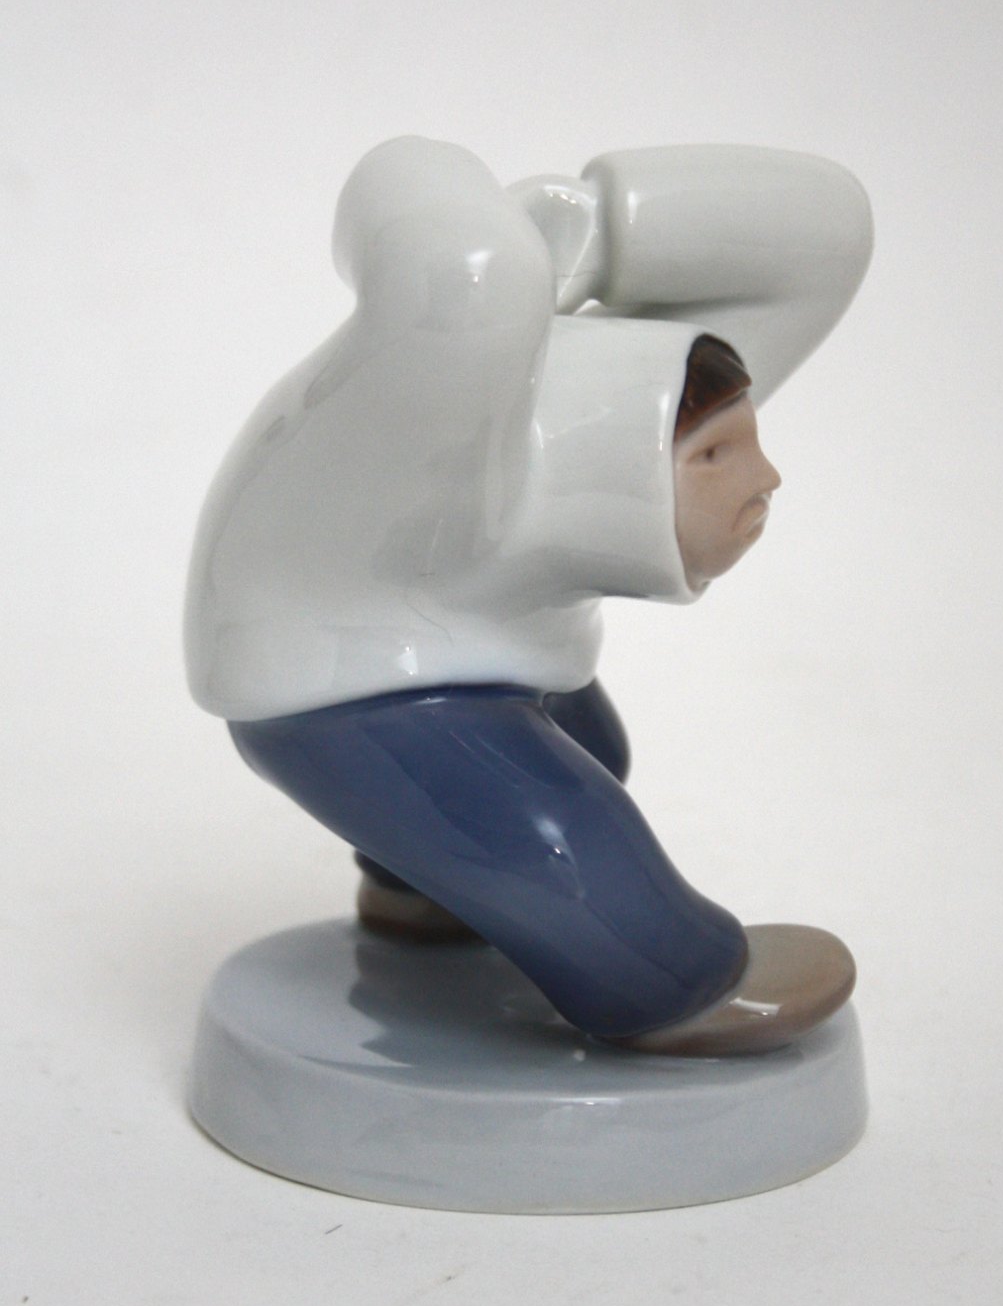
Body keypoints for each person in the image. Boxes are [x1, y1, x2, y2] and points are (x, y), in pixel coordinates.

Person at [185, 136, 873, 1054]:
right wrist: (496, 271)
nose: (767, 478)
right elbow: (428, 221)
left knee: (594, 748)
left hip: (477, 635)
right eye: (713, 455)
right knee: (556, 823)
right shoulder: (454, 428)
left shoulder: (635, 377)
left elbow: (823, 238)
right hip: (334, 678)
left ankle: (423, 891)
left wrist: (607, 231)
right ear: (617, 458)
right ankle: (669, 985)